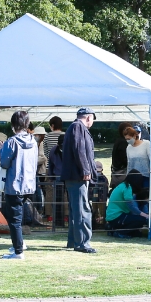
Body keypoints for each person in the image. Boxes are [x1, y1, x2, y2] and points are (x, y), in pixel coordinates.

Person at [0, 110, 38, 259]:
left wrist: (2, 150)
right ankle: (19, 243)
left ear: (13, 125)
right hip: (29, 184)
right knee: (19, 217)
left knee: (14, 219)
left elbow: (4, 163)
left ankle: (18, 250)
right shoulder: (33, 141)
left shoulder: (12, 142)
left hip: (14, 185)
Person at [61, 108, 98, 253]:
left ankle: (74, 241)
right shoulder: (78, 127)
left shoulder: (74, 127)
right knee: (82, 209)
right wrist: (86, 170)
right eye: (93, 120)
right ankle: (82, 242)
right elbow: (79, 149)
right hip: (78, 176)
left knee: (76, 209)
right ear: (89, 117)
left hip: (74, 176)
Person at [105, 171, 151, 237]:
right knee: (141, 220)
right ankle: (120, 233)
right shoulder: (127, 188)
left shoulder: (122, 185)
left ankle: (112, 228)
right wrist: (145, 215)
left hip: (114, 216)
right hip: (117, 216)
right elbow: (131, 206)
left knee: (138, 234)